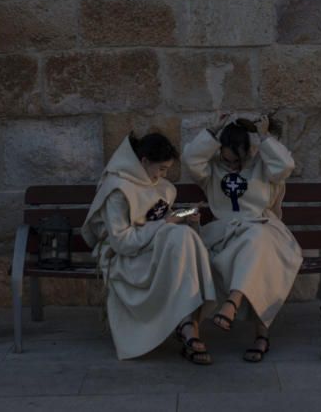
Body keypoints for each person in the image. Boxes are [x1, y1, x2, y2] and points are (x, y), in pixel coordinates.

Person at [81, 132, 217, 364]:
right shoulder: (118, 189)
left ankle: (187, 324)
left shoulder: (164, 188)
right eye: (161, 168)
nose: (163, 175)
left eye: (166, 170)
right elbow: (122, 242)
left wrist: (186, 218)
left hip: (154, 248)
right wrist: (165, 224)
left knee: (184, 236)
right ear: (143, 161)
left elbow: (159, 223)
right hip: (124, 257)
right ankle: (188, 326)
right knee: (180, 238)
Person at [181, 114, 303, 363]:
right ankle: (257, 333)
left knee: (258, 241)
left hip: (263, 227)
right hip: (225, 234)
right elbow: (191, 158)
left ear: (249, 151)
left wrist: (265, 137)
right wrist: (212, 132)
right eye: (228, 159)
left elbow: (286, 166)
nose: (233, 165)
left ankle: (234, 303)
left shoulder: (263, 166)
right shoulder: (211, 171)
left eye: (238, 160)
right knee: (251, 249)